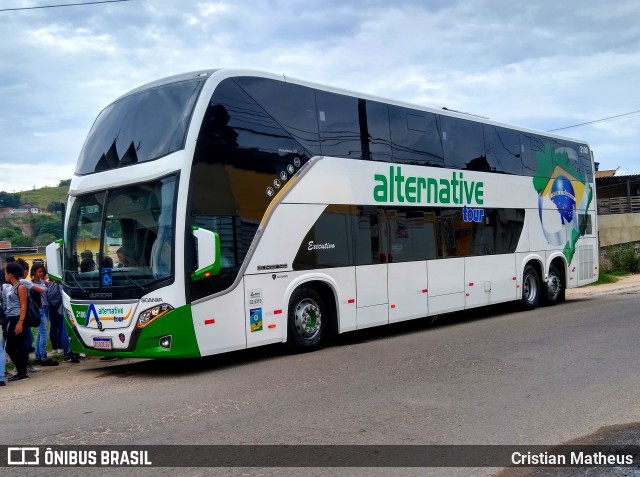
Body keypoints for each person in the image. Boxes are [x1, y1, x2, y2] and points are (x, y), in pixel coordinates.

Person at [2, 262, 31, 381]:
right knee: (17, 346)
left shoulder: (21, 287)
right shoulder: (12, 287)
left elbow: (23, 305)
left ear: (11, 274)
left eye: (6, 273)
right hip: (12, 319)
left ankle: (22, 372)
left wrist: (20, 322)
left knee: (10, 347)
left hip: (17, 318)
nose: (5, 275)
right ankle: (21, 372)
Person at [31, 263, 58, 367]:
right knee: (43, 333)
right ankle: (43, 356)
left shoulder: (43, 282)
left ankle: (38, 356)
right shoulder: (31, 284)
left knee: (39, 333)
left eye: (42, 271)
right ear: (34, 272)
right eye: (39, 272)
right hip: (40, 309)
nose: (41, 273)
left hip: (46, 307)